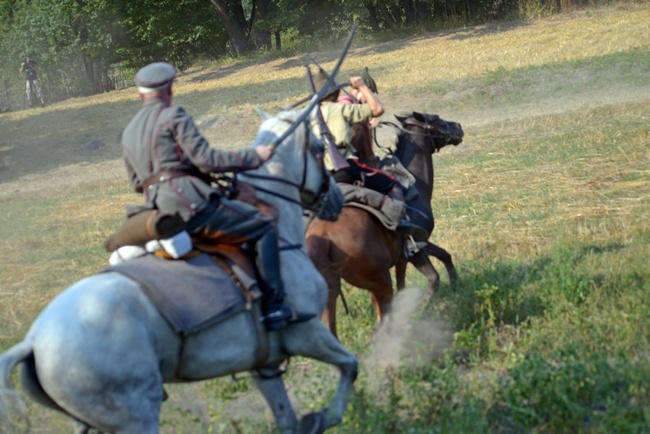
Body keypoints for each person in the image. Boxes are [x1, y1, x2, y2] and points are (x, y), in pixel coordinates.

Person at [120, 61, 314, 331]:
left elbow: (136, 182)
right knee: (264, 225)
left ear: (141, 94)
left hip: (154, 208)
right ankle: (275, 307)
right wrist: (253, 156)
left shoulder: (128, 131)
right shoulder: (174, 115)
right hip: (189, 204)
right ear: (170, 89)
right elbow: (206, 159)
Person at [312, 68, 427, 240]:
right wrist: (362, 85)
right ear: (335, 92)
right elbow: (377, 109)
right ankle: (400, 227)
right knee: (393, 183)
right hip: (345, 166)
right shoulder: (342, 108)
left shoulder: (308, 114)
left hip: (317, 173)